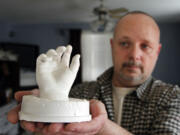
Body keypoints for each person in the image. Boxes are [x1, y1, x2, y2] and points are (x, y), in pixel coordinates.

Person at [8, 11, 180, 135]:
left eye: (145, 46)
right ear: (112, 46)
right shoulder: (81, 93)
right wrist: (48, 102)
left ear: (157, 51)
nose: (135, 55)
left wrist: (102, 127)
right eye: (125, 44)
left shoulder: (173, 97)